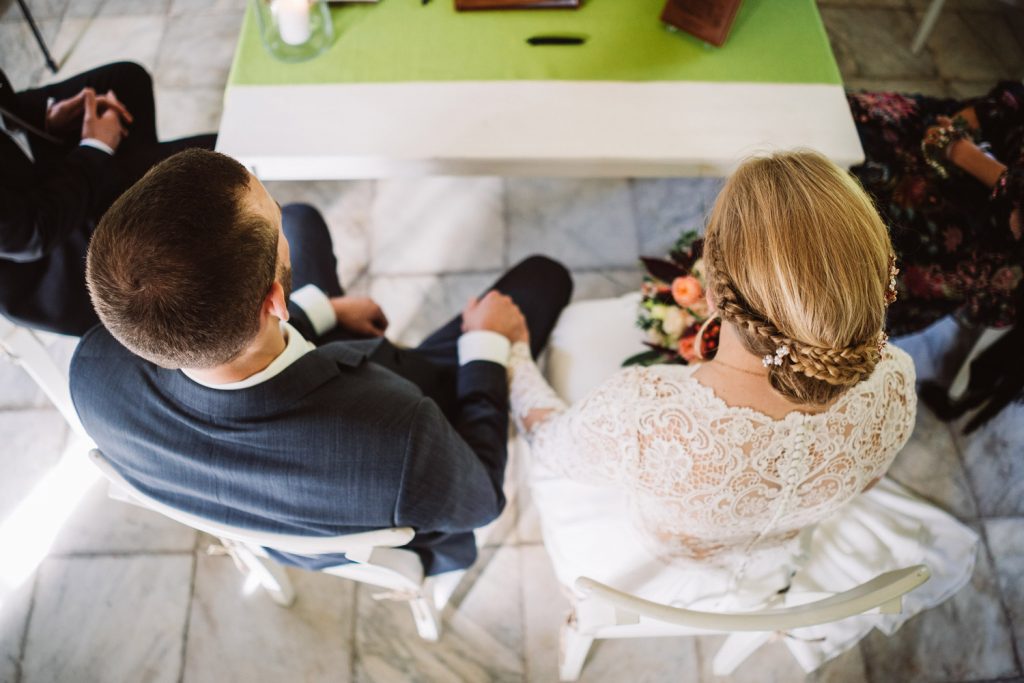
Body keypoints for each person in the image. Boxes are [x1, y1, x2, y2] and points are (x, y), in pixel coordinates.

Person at [508, 151, 977, 670]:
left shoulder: (650, 411)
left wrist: (508, 355)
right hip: (771, 565)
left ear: (709, 288)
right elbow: (866, 484)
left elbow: (549, 443)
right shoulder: (894, 379)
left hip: (636, 571)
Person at [70, 149, 572, 576]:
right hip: (378, 433)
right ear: (273, 302)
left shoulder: (92, 371)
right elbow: (482, 499)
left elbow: (241, 339)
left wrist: (322, 309)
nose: (279, 209)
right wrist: (485, 347)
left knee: (308, 221)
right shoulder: (400, 435)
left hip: (279, 497)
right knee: (544, 279)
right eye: (274, 216)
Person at [847, 82, 1023, 427]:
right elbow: (1007, 103)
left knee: (859, 284)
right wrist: (972, 122)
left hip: (983, 231)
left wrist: (959, 151)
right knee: (853, 122)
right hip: (975, 143)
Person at [0, 62, 216, 336]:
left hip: (20, 173)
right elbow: (31, 234)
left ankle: (146, 196)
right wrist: (96, 147)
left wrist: (41, 116)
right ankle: (145, 204)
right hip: (42, 258)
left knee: (125, 81)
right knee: (213, 160)